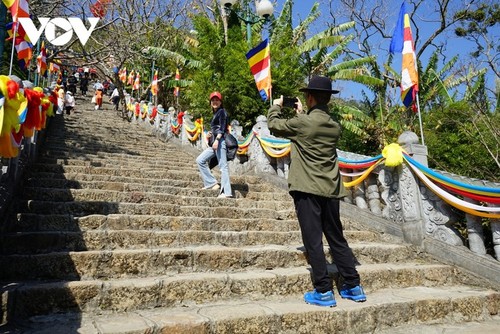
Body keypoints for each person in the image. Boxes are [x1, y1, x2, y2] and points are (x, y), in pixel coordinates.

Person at [267, 75, 366, 307]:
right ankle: (353, 285)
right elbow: (311, 129)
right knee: (336, 238)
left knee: (313, 240)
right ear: (328, 100)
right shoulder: (334, 126)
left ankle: (323, 290)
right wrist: (304, 113)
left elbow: (274, 125)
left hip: (307, 189)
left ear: (309, 97)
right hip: (330, 189)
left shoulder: (302, 124)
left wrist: (277, 106)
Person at [195, 91, 232, 198]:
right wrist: (210, 135)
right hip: (215, 142)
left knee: (223, 166)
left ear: (221, 102)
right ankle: (211, 182)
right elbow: (216, 128)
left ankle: (226, 192)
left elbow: (223, 127)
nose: (215, 102)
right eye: (213, 100)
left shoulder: (222, 112)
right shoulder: (215, 113)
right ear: (210, 102)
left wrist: (217, 139)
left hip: (220, 142)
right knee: (200, 160)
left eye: (217, 100)